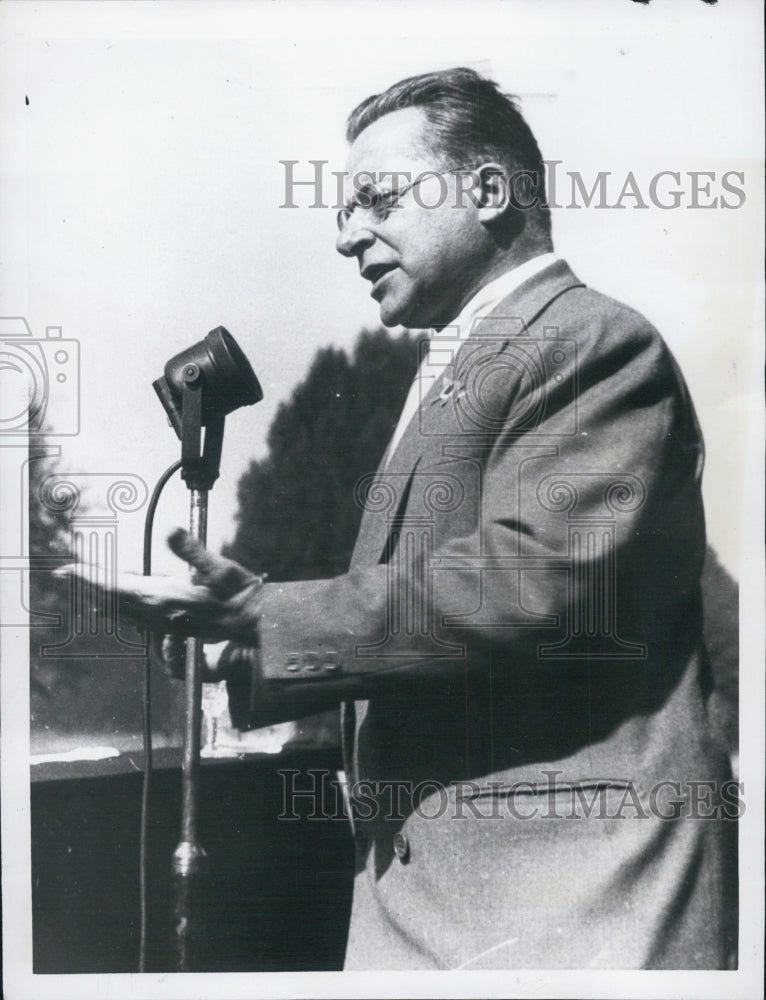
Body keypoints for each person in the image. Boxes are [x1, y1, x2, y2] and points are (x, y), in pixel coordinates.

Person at [62, 67, 736, 969]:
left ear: (490, 191)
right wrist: (241, 644)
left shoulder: (592, 342)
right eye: (342, 210)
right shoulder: (477, 353)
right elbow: (444, 624)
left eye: (376, 200)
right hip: (457, 911)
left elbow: (529, 582)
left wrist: (271, 614)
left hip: (573, 912)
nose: (347, 238)